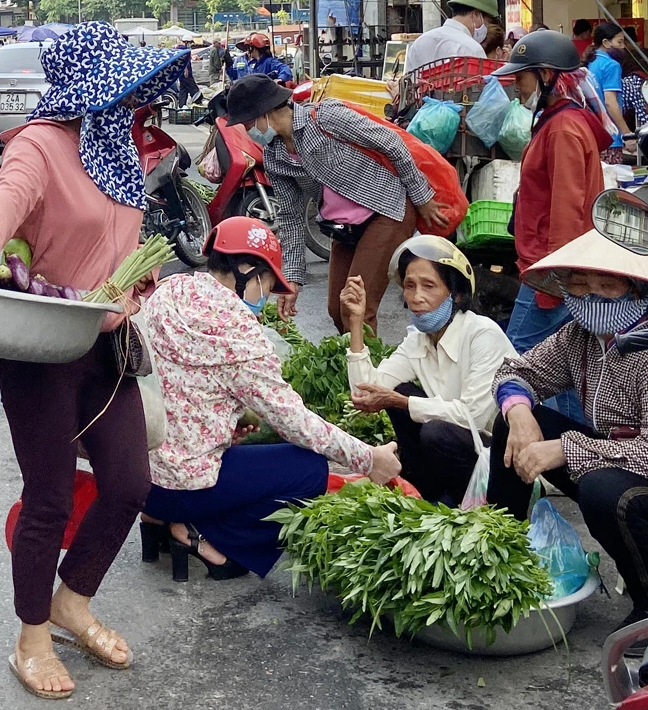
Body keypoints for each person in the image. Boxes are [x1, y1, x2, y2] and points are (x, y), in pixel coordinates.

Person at [0, 22, 190, 699]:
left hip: (106, 343)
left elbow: (126, 250)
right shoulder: (38, 147)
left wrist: (136, 289)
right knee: (47, 497)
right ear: (89, 88)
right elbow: (0, 212)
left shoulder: (121, 150)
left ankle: (73, 599)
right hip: (40, 343)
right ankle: (32, 635)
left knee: (129, 482)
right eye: (122, 87)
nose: (135, 100)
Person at [487, 229, 648, 629]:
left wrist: (566, 449)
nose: (591, 294)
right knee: (520, 422)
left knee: (605, 491)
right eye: (580, 283)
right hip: (631, 460)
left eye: (607, 285)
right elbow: (517, 372)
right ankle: (497, 559)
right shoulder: (579, 337)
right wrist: (520, 412)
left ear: (637, 292)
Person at [140, 217, 401, 581]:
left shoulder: (167, 292)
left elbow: (178, 389)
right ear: (246, 271)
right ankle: (206, 537)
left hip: (136, 478)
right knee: (309, 469)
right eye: (265, 283)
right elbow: (298, 424)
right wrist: (369, 458)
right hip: (181, 488)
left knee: (246, 455)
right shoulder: (241, 334)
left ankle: (159, 521)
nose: (263, 297)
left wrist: (223, 424)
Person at [224, 73, 450, 334]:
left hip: (385, 209)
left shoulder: (326, 117)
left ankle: (367, 373)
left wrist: (422, 199)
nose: (247, 130)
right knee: (337, 309)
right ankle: (356, 366)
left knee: (357, 308)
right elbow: (289, 216)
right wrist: (292, 279)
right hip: (343, 226)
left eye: (247, 122)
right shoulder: (274, 155)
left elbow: (392, 144)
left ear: (265, 113)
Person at [341, 236, 514, 504]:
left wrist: (402, 401)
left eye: (429, 286)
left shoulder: (482, 335)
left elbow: (471, 417)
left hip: (499, 459)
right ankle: (426, 492)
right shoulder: (417, 341)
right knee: (399, 394)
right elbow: (364, 392)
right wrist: (356, 322)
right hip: (457, 444)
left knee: (432, 427)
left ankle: (459, 501)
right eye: (410, 286)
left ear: (456, 294)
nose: (416, 297)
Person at [490, 31, 612, 354]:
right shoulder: (556, 121)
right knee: (563, 362)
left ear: (546, 76)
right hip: (554, 268)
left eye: (521, 76)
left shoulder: (563, 129)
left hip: (552, 270)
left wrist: (555, 281)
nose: (516, 86)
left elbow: (567, 210)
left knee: (519, 353)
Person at [403, 0, 492, 71]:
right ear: (476, 15)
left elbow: (409, 81)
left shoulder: (419, 42)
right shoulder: (472, 49)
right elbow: (481, 86)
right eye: (487, 23)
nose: (486, 28)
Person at [584, 23, 632, 163]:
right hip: (610, 138)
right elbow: (610, 103)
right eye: (619, 42)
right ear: (605, 42)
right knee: (611, 181)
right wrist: (626, 134)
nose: (623, 47)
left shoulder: (590, 62)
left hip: (591, 134)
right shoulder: (611, 65)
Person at [225, 32, 293, 83]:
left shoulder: (268, 62)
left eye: (248, 47)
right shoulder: (239, 60)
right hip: (244, 94)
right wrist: (228, 65)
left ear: (252, 48)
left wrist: (280, 79)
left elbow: (285, 68)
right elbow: (233, 75)